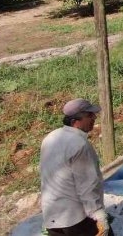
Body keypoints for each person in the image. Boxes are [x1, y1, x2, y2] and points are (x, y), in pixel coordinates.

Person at [39, 98, 110, 236]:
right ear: (75, 122)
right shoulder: (79, 144)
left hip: (52, 218)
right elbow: (87, 185)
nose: (94, 117)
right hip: (76, 219)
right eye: (89, 115)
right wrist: (99, 215)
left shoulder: (51, 137)